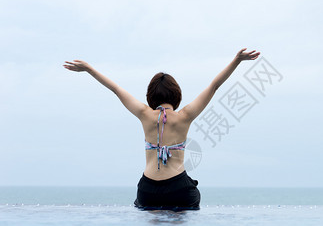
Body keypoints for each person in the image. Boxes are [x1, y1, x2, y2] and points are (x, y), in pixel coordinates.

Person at [63, 48, 260, 211]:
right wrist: (237, 60)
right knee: (192, 197)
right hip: (178, 188)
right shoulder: (185, 115)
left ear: (150, 96)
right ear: (176, 95)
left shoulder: (144, 113)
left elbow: (115, 88)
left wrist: (89, 69)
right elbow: (214, 86)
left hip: (148, 189)